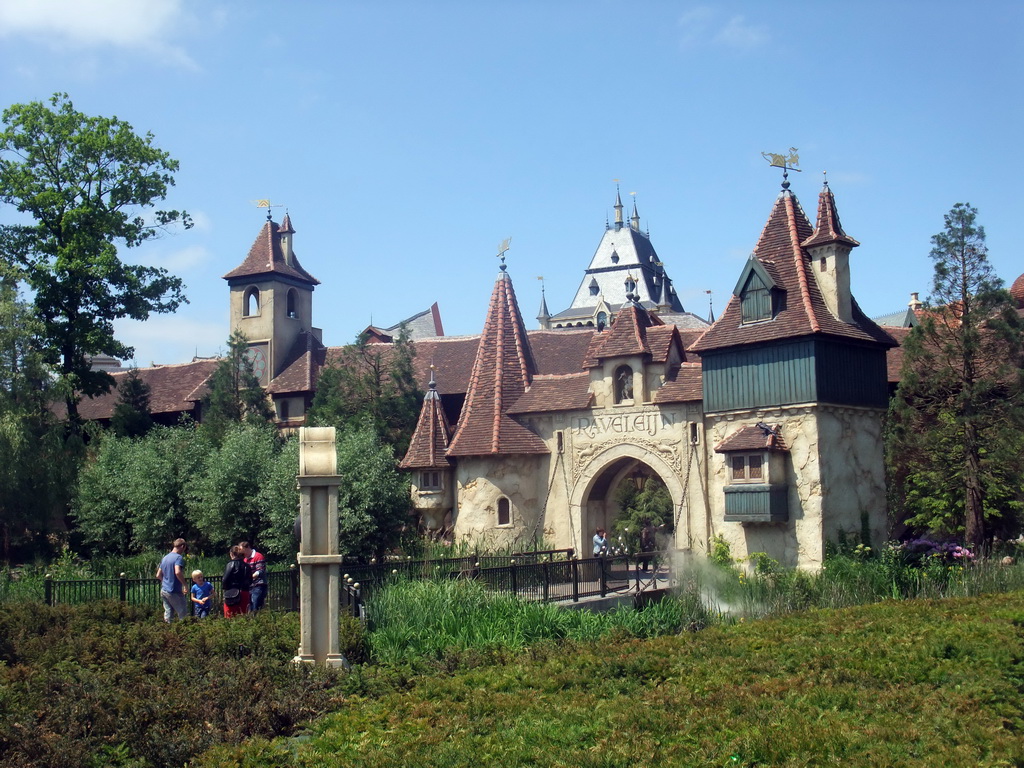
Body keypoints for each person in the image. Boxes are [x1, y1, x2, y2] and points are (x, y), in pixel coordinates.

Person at [156, 538, 189, 622]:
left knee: (169, 613)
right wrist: (185, 585)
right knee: (183, 613)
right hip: (174, 591)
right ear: (182, 546)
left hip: (164, 590)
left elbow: (158, 575)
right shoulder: (178, 558)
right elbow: (178, 572)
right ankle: (185, 632)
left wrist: (166, 582)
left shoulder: (165, 558)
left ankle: (168, 632)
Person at [222, 545, 251, 617]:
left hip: (232, 593)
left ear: (232, 553)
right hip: (244, 592)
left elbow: (225, 579)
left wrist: (226, 588)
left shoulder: (230, 564)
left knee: (230, 616)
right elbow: (250, 580)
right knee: (243, 615)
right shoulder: (247, 566)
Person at [240, 540, 267, 612]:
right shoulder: (245, 559)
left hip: (259, 585)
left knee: (255, 605)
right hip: (250, 586)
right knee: (249, 607)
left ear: (248, 548)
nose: (243, 554)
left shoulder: (258, 556)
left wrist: (249, 578)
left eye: (243, 551)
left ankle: (257, 621)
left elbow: (260, 571)